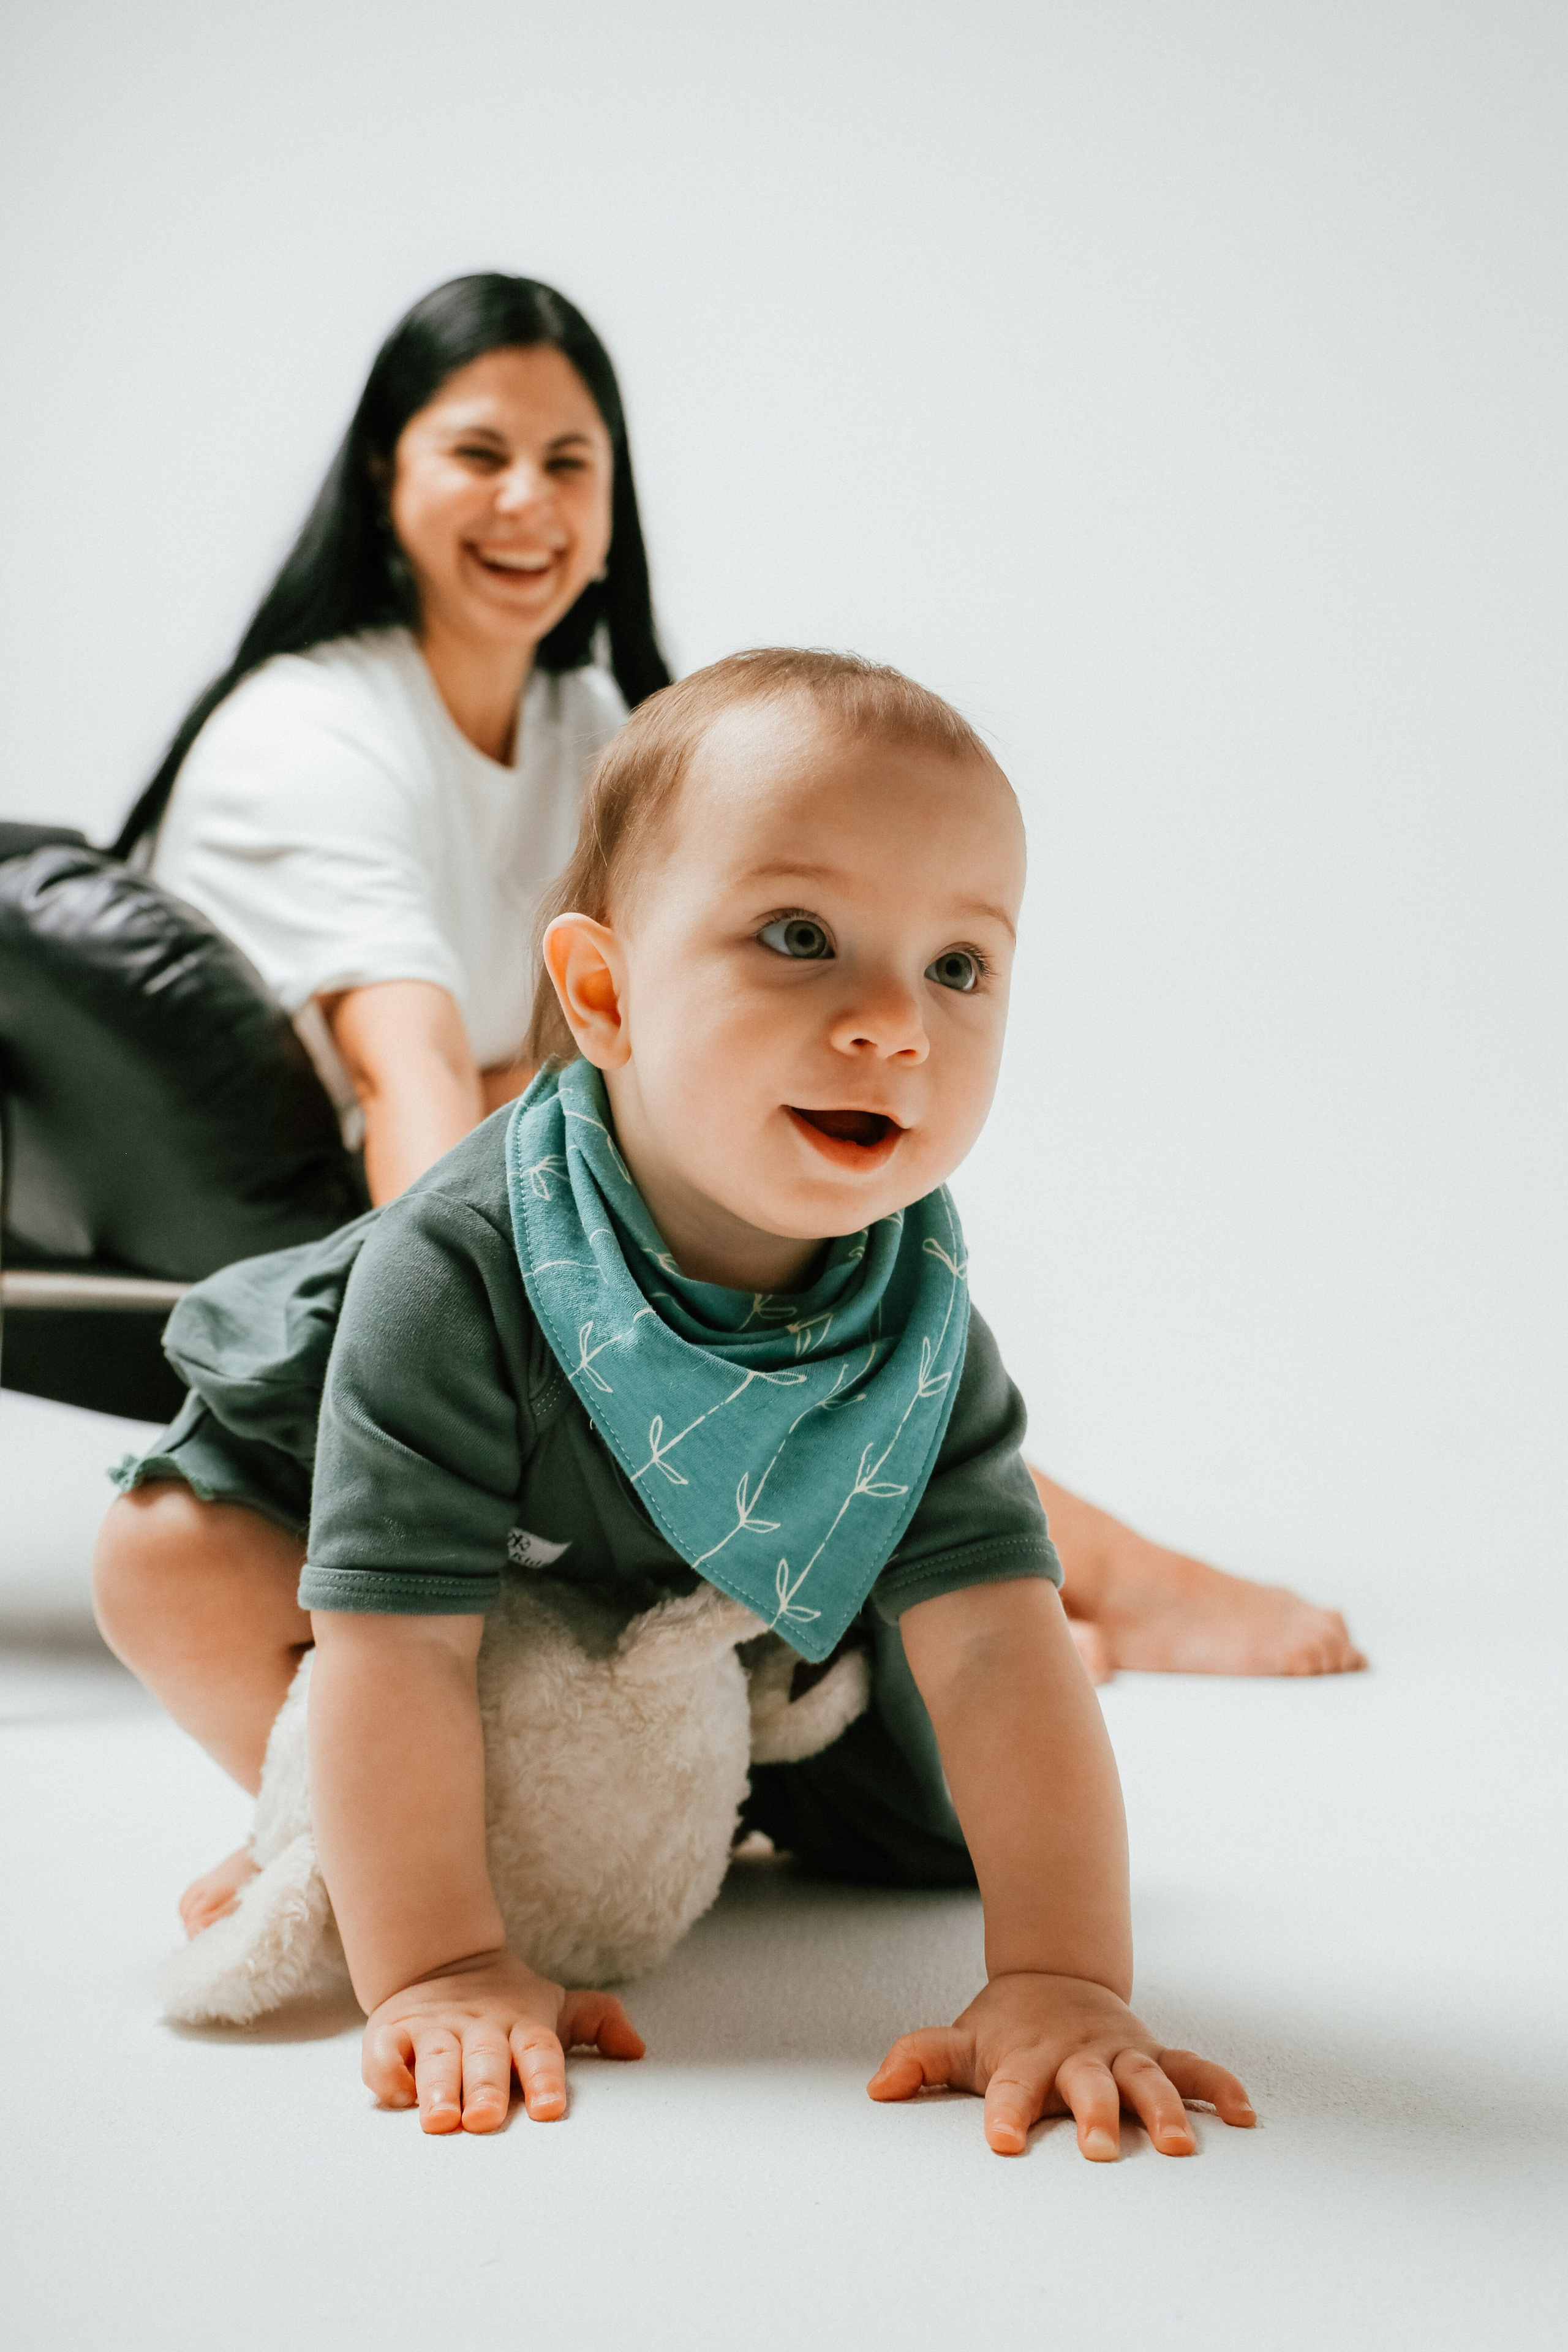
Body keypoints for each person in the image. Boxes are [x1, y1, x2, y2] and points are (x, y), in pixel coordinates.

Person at [116, 271, 1363, 1685]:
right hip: (380, 1227)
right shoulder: (308, 732)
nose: (527, 498)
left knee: (810, 1278)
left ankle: (1006, 1592)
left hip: (534, 1146)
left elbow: (625, 1037)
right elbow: (416, 1094)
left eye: (568, 462)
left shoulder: (591, 721)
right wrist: (503, 1301)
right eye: (477, 453)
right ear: (380, 475)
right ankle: (1090, 1582)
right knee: (726, 1309)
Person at [94, 650, 1259, 2157]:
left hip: (742, 1618)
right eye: (797, 936)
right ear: (602, 993)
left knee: (925, 1836)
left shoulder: (904, 1315)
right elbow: (397, 1644)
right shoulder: (459, 1266)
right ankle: (351, 1841)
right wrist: (440, 1962)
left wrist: (1061, 1978)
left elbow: (987, 1653)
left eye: (958, 967)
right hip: (462, 1584)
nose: (893, 1024)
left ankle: (713, 1776)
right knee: (167, 1557)